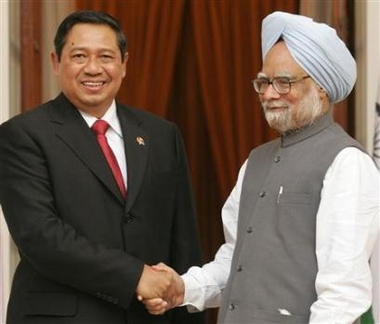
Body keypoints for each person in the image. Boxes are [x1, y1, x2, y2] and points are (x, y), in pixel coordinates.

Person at [141, 11, 380, 324]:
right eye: (264, 82)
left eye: (283, 82)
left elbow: (342, 294)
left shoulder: (348, 162)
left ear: (321, 86)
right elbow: (236, 262)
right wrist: (183, 288)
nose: (268, 94)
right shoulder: (255, 160)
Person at [0, 10, 205, 324]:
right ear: (56, 62)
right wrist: (136, 276)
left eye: (106, 56)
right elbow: (40, 236)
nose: (93, 68)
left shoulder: (161, 135)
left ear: (124, 64)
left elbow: (184, 243)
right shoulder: (23, 135)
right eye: (79, 55)